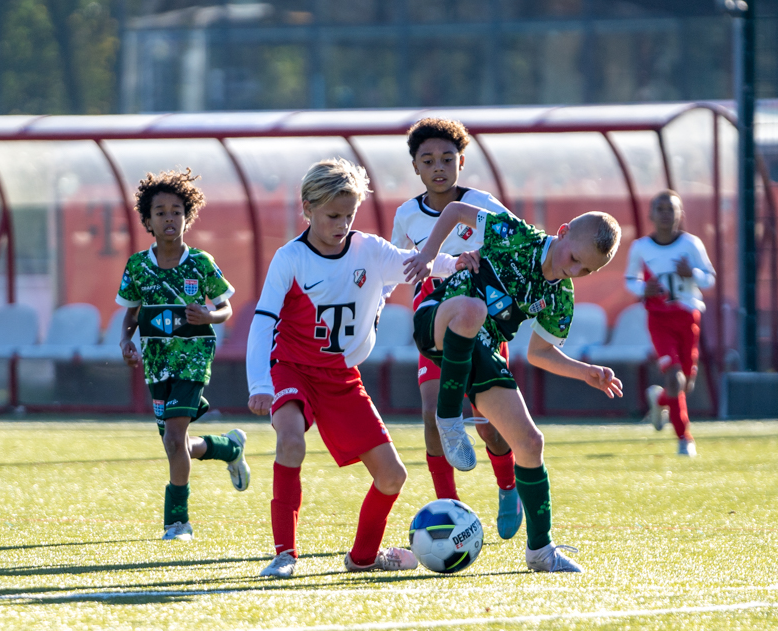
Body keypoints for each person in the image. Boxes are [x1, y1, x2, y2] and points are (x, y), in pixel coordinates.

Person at [247, 158, 469, 578]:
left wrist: (455, 262)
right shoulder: (290, 258)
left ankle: (363, 558)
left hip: (342, 379)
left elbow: (414, 261)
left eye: (349, 215)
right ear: (307, 208)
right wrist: (259, 382)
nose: (342, 224)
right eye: (333, 215)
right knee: (291, 442)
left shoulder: (369, 250)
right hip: (291, 368)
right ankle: (284, 555)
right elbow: (263, 321)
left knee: (392, 477)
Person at [404, 202, 623, 573]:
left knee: (531, 442)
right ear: (563, 231)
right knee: (472, 310)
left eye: (586, 270)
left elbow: (540, 354)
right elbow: (455, 210)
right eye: (574, 259)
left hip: (480, 351)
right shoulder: (517, 234)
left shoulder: (561, 297)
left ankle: (541, 551)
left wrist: (585, 371)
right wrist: (428, 256)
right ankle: (449, 418)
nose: (574, 271)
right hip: (438, 319)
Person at [390, 117, 522, 541]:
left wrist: (485, 258)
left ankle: (508, 486)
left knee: (489, 422)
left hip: (480, 318)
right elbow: (393, 266)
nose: (439, 167)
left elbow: (518, 243)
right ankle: (450, 510)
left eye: (447, 159)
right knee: (432, 413)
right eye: (428, 160)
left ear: (461, 162)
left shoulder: (482, 203)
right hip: (432, 318)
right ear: (415, 166)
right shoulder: (406, 214)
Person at [117, 168, 250, 543]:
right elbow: (131, 315)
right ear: (147, 220)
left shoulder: (201, 263)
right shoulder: (137, 266)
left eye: (176, 211)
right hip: (156, 363)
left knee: (175, 439)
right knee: (176, 444)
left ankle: (178, 523)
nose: (169, 218)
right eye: (160, 212)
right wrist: (126, 342)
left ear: (187, 217)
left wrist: (209, 315)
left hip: (193, 359)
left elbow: (225, 308)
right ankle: (228, 448)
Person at [624, 190, 716, 457]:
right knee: (674, 377)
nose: (665, 214)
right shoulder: (641, 247)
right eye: (660, 209)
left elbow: (709, 278)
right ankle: (684, 439)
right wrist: (643, 289)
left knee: (685, 384)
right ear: (651, 215)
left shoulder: (691, 244)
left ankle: (659, 399)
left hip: (688, 318)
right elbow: (630, 280)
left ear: (679, 214)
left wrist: (692, 274)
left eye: (670, 209)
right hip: (659, 319)